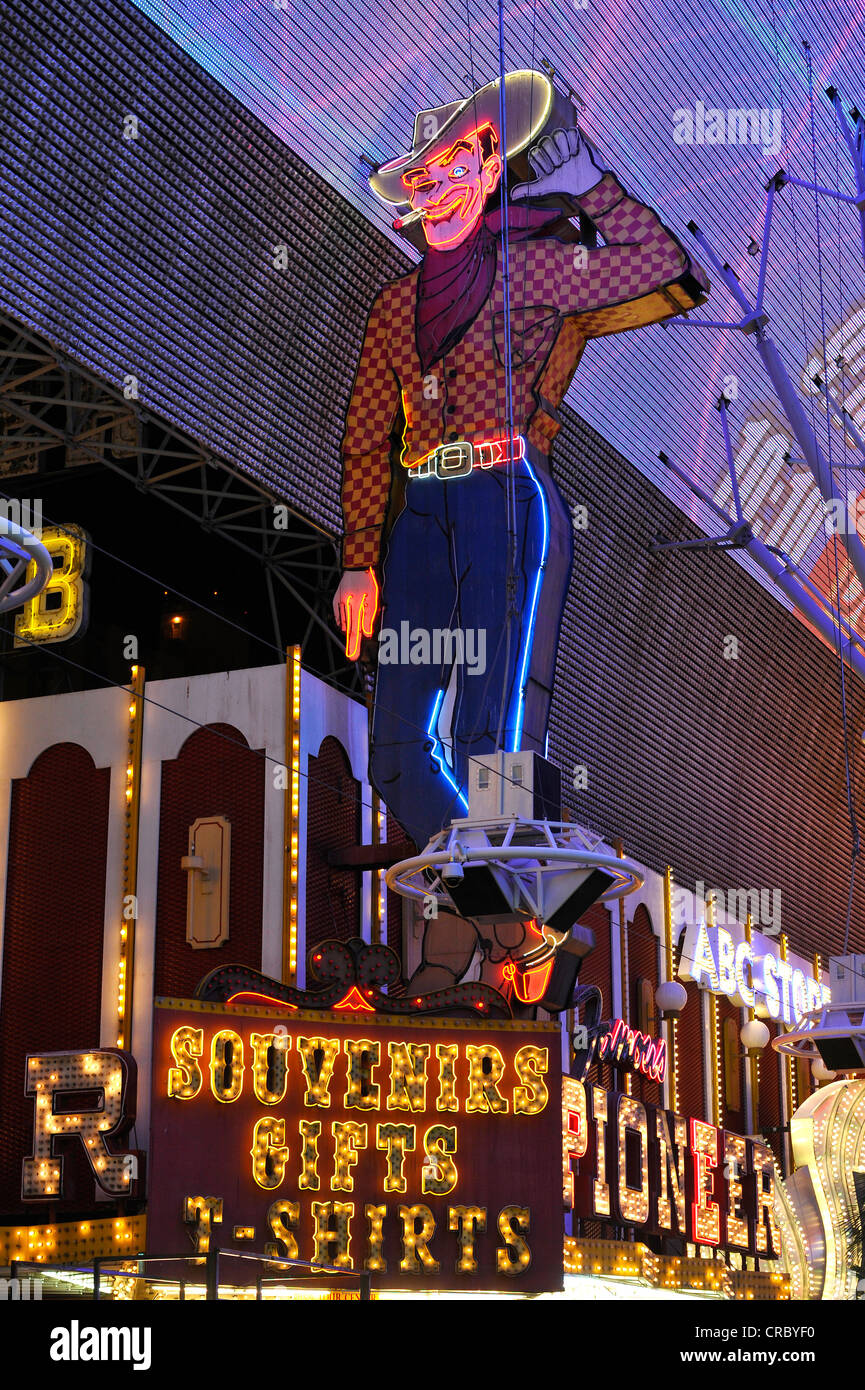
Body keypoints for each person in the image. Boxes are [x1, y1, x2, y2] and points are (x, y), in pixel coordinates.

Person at [334, 72, 708, 992]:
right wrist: (357, 560)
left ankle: (470, 951)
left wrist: (585, 175)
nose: (439, 186)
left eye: (457, 163)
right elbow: (364, 431)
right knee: (396, 753)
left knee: (487, 747)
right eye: (423, 173)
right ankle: (515, 929)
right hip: (419, 517)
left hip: (505, 496)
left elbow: (661, 266)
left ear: (489, 168)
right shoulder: (393, 305)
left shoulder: (531, 265)